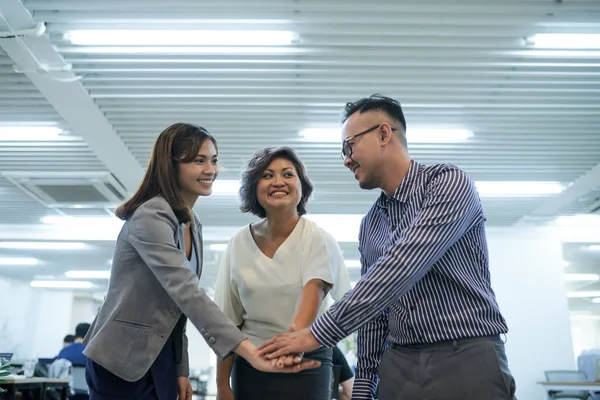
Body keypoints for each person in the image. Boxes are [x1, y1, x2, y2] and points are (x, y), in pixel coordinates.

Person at [259, 95, 517, 400]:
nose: (346, 159)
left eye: (349, 146)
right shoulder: (371, 224)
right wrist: (364, 386)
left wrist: (317, 333)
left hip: (466, 358)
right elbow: (375, 315)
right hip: (399, 366)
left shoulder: (448, 184)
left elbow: (401, 267)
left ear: (383, 134)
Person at [81, 123, 319, 400]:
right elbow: (187, 292)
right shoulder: (151, 216)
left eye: (214, 160)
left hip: (161, 359)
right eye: (199, 160)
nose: (211, 170)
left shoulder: (192, 224)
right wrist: (249, 352)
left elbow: (177, 309)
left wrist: (180, 369)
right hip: (119, 359)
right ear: (171, 165)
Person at [214, 146, 351, 400]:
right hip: (251, 364)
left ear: (302, 187)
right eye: (267, 176)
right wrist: (222, 385)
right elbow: (227, 322)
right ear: (254, 188)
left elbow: (315, 288)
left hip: (306, 364)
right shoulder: (238, 243)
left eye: (288, 174)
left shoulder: (316, 237)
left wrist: (293, 342)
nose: (278, 181)